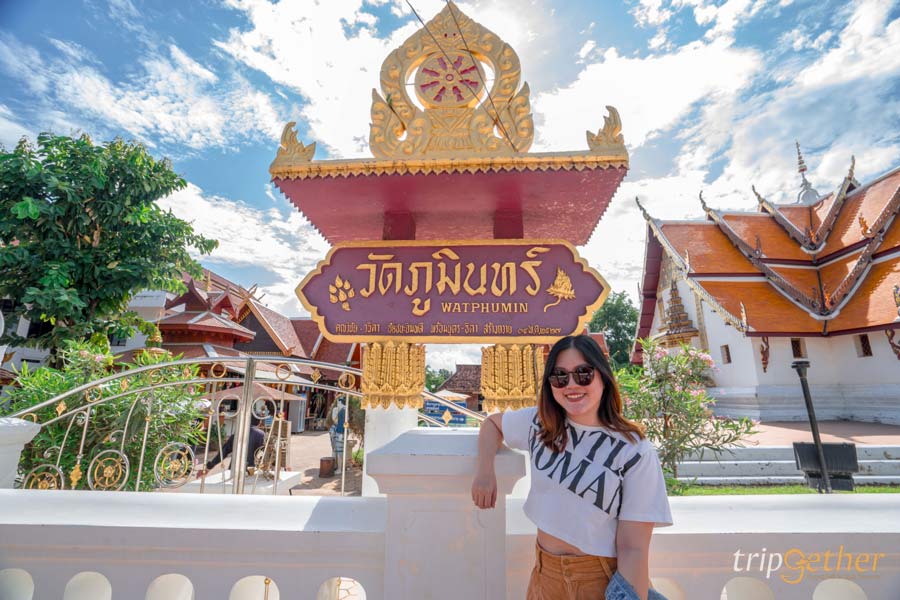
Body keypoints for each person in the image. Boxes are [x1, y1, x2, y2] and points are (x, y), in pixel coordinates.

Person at [471, 335, 672, 600]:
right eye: (560, 377)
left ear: (603, 377)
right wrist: (485, 472)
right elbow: (492, 424)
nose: (572, 385)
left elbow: (633, 547)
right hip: (544, 573)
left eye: (583, 374)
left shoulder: (633, 449)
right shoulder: (540, 424)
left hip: (600, 578)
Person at [201, 415, 266, 474]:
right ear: (259, 422)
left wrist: (211, 465)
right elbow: (263, 452)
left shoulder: (238, 432)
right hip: (252, 469)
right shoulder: (261, 434)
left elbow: (224, 451)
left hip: (235, 467)